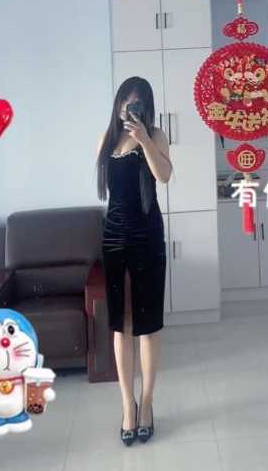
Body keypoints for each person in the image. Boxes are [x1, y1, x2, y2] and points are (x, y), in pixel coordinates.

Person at [97, 76, 172, 445]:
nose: (130, 106)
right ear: (117, 104)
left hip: (147, 236)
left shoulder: (155, 136)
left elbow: (164, 176)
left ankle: (147, 402)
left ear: (147, 106)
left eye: (137, 101)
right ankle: (128, 404)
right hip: (113, 238)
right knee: (121, 325)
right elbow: (108, 188)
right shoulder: (108, 139)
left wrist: (143, 140)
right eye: (125, 100)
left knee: (147, 325)